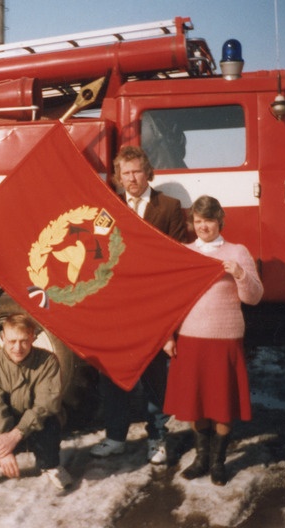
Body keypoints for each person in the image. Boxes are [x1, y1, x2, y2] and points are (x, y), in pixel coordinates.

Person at [90, 145, 188, 464]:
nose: (132, 178)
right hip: (117, 307)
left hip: (153, 305)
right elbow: (95, 251)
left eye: (137, 171)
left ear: (148, 172)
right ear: (118, 177)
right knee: (114, 373)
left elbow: (178, 259)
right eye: (126, 173)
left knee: (155, 375)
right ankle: (115, 437)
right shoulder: (108, 207)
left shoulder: (170, 207)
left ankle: (157, 437)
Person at [162, 195, 264, 486]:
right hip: (191, 338)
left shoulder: (237, 251)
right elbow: (172, 301)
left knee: (221, 405)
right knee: (196, 404)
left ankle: (218, 463)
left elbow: (254, 297)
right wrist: (168, 335)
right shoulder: (184, 252)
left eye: (208, 220)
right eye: (197, 221)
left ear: (220, 221)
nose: (203, 226)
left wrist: (241, 274)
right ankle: (200, 459)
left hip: (225, 338)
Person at [0, 314, 72, 490]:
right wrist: (4, 452)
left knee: (50, 419)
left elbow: (46, 404)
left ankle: (50, 465)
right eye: (12, 341)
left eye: (23, 341)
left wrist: (16, 435)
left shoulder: (48, 361)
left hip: (35, 417)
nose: (17, 348)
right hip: (5, 418)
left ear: (32, 337)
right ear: (3, 338)